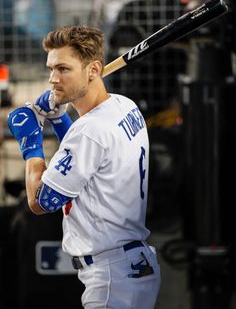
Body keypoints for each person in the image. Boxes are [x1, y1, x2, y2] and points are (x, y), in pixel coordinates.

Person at [8, 25, 161, 309]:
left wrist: (30, 140)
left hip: (112, 276)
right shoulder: (123, 106)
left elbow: (41, 201)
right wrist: (57, 119)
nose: (53, 79)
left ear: (93, 70)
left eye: (63, 69)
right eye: (51, 69)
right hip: (131, 266)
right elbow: (84, 160)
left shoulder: (90, 131)